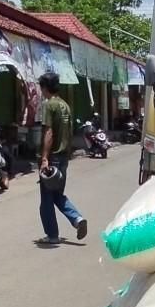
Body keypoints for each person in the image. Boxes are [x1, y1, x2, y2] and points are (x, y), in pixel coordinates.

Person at [36, 72, 88, 244]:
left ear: (45, 87)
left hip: (52, 158)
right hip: (64, 157)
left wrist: (45, 158)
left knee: (46, 199)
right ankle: (77, 219)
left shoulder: (49, 105)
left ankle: (52, 235)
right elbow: (69, 131)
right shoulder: (65, 105)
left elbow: (49, 132)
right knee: (57, 194)